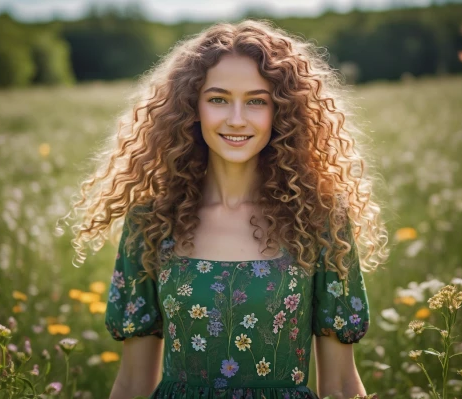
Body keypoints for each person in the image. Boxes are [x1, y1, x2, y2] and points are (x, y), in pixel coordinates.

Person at [62, 19, 389, 399]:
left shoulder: (319, 219)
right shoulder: (151, 221)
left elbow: (342, 386)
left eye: (256, 101)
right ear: (192, 106)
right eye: (218, 99)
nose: (236, 119)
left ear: (282, 110)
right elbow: (133, 384)